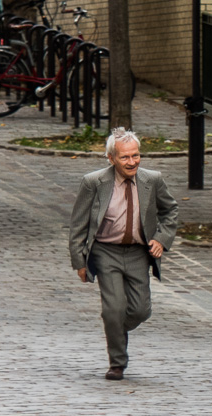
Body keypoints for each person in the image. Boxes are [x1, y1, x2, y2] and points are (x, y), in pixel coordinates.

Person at [68, 129, 179, 380]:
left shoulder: (153, 180)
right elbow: (78, 224)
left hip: (139, 252)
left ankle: (115, 329)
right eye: (125, 157)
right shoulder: (94, 182)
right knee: (113, 308)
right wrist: (79, 262)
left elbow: (170, 211)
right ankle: (117, 362)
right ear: (111, 159)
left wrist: (162, 239)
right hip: (106, 252)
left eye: (136, 156)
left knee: (140, 310)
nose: (132, 162)